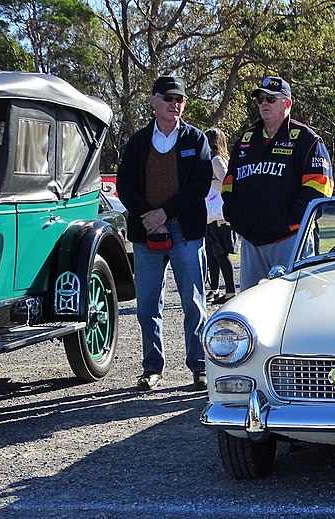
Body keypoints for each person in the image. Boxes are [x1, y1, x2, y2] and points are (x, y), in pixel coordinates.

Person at [116, 75, 213, 392]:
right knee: (146, 306)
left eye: (180, 99)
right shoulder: (137, 142)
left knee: (194, 304)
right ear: (154, 102)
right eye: (169, 98)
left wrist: (165, 213)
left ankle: (199, 368)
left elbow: (199, 185)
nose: (175, 104)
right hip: (146, 233)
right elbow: (124, 186)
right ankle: (151, 368)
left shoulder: (196, 139)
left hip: (186, 231)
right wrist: (147, 215)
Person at [222, 76, 334, 290]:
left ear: (287, 103)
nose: (264, 103)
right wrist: (238, 220)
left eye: (271, 99)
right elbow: (228, 186)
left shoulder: (306, 140)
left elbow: (319, 190)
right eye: (261, 99)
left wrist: (287, 222)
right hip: (251, 242)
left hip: (290, 240)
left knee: (293, 305)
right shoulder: (246, 140)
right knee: (250, 307)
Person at [204, 128, 237, 304]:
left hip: (219, 214)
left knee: (221, 253)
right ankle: (215, 289)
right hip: (210, 214)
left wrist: (209, 180)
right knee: (213, 254)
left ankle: (230, 291)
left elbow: (226, 182)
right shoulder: (213, 159)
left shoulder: (217, 160)